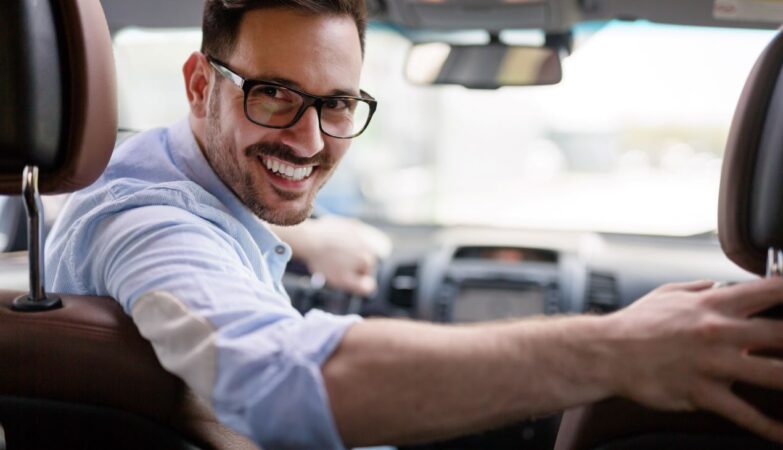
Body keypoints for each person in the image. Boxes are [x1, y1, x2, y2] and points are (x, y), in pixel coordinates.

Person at [44, 0, 783, 448]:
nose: (308, 140)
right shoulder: (144, 223)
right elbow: (279, 381)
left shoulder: (150, 175)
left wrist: (301, 232)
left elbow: (198, 197)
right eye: (272, 95)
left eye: (336, 104)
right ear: (200, 84)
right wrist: (620, 349)